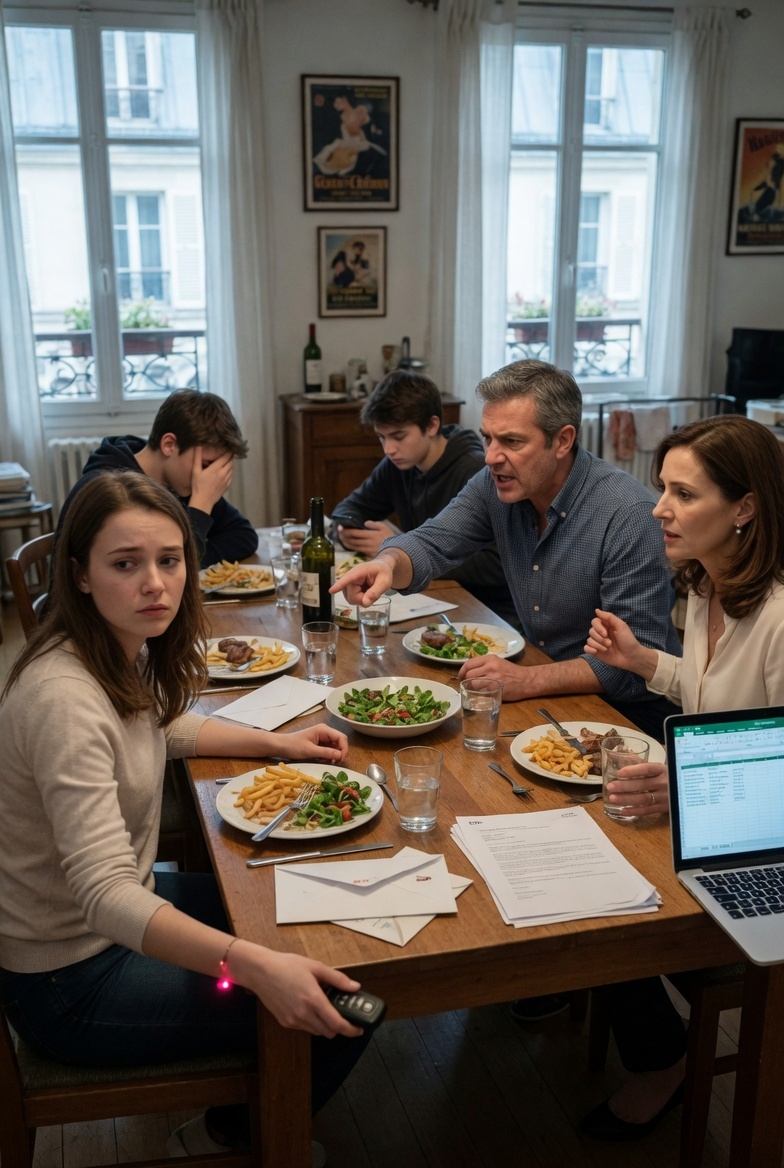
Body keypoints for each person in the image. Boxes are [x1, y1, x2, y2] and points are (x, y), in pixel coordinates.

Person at [0, 471, 368, 1166]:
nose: (156, 584)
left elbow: (160, 729)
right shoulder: (63, 699)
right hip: (70, 977)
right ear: (79, 575)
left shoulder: (107, 651)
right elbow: (105, 897)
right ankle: (237, 1136)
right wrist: (253, 965)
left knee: (319, 924)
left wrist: (280, 743)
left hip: (104, 926)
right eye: (125, 564)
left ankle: (239, 1119)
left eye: (169, 561)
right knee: (340, 1001)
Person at [579, 414, 784, 1141]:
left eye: (683, 494)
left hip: (764, 846)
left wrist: (692, 786)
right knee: (582, 862)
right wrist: (644, 662)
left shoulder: (782, 616)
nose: (658, 507)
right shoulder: (704, 587)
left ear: (745, 508)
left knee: (602, 904)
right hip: (712, 818)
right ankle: (649, 1039)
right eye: (662, 488)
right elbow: (711, 697)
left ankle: (663, 1059)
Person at [332, 358, 682, 741]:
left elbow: (635, 664)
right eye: (487, 438)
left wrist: (528, 679)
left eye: (512, 441)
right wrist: (387, 561)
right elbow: (433, 541)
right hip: (550, 698)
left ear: (562, 440)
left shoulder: (627, 514)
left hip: (631, 719)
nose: (490, 457)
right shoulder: (495, 484)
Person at [331, 370, 519, 628]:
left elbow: (497, 565)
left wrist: (397, 547)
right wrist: (352, 531)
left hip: (484, 609)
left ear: (431, 426)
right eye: (381, 437)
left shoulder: (476, 470)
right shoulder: (396, 465)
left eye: (398, 436)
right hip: (430, 597)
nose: (388, 449)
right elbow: (348, 509)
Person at [59, 389, 259, 568]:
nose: (208, 477)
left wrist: (197, 558)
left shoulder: (179, 482)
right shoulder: (111, 488)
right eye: (206, 465)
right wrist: (201, 507)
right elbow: (164, 570)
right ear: (169, 445)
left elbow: (243, 535)